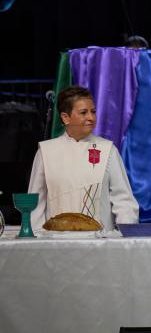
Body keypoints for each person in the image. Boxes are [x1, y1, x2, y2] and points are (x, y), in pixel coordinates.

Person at [27, 86, 139, 231]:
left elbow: (124, 200)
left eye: (93, 112)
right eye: (83, 113)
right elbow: (35, 203)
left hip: (101, 243)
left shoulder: (107, 149)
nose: (91, 118)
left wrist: (126, 237)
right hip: (56, 243)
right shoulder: (46, 152)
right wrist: (39, 241)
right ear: (65, 117)